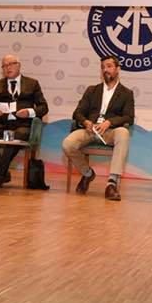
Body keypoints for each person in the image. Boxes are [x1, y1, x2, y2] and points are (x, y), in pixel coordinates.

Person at [62, 55, 135, 201]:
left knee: (123, 133)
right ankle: (88, 173)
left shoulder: (126, 93)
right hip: (90, 130)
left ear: (117, 69)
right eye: (103, 67)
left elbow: (129, 117)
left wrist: (109, 122)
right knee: (67, 144)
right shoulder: (92, 90)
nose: (105, 70)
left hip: (110, 131)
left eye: (109, 66)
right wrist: (86, 122)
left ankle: (111, 184)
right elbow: (77, 113)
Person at [0, 54, 49, 187]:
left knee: (17, 136)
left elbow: (43, 107)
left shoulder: (32, 84)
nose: (8, 68)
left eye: (11, 64)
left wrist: (29, 112)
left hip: (23, 125)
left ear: (19, 66)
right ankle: (0, 173)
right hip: (2, 124)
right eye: (4, 65)